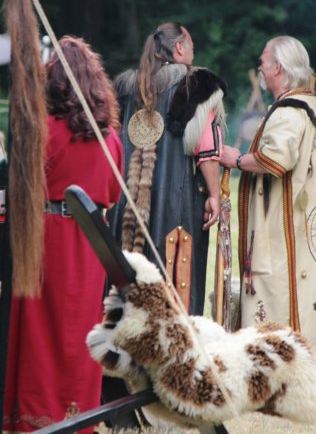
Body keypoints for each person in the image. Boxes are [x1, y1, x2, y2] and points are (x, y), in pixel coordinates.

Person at [4, 36, 123, 432]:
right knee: (80, 332)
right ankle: (78, 418)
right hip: (91, 244)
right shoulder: (110, 139)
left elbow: (22, 188)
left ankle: (36, 418)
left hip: (46, 236)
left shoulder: (43, 130)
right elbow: (110, 193)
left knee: (40, 332)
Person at [221, 36, 316, 377]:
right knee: (306, 282)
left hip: (279, 227)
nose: (259, 67)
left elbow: (275, 160)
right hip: (303, 220)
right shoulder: (311, 105)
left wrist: (237, 158)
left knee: (277, 284)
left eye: (263, 61)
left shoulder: (289, 111)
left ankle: (275, 367)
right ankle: (306, 361)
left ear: (279, 68)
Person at [111, 21, 227, 315]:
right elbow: (207, 149)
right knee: (174, 284)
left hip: (125, 205)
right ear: (179, 48)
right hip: (178, 205)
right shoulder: (197, 85)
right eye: (191, 45)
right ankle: (174, 345)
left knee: (128, 279)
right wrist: (214, 195)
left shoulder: (125, 89)